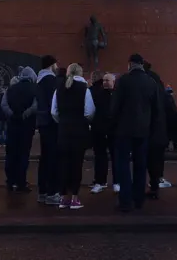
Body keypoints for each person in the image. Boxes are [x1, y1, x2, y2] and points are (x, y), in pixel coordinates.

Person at [111, 54, 160, 212]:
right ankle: (138, 199)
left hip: (124, 130)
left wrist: (113, 125)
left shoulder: (123, 81)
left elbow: (115, 107)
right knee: (140, 165)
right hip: (143, 131)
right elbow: (157, 110)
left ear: (130, 64)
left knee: (123, 164)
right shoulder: (151, 82)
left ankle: (125, 200)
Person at [52, 63, 95, 209]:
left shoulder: (59, 89)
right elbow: (89, 111)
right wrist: (83, 121)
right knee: (77, 164)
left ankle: (63, 197)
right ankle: (75, 198)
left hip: (63, 129)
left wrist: (63, 121)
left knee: (63, 163)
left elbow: (54, 111)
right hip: (79, 130)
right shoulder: (84, 89)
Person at [1, 66, 38, 193]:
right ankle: (21, 182)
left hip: (12, 126)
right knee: (23, 155)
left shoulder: (10, 89)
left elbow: (3, 105)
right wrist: (25, 115)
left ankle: (10, 181)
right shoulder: (34, 89)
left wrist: (12, 115)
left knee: (11, 154)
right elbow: (35, 106)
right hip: (27, 127)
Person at [36, 55, 61, 205]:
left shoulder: (39, 80)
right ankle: (52, 192)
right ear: (52, 64)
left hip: (43, 123)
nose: (57, 67)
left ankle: (43, 191)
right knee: (53, 158)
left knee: (44, 158)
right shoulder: (51, 81)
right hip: (52, 124)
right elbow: (55, 104)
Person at [144, 61, 172, 191]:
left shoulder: (141, 83)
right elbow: (170, 109)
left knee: (143, 157)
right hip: (159, 128)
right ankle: (157, 180)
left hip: (143, 128)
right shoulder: (158, 85)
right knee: (158, 156)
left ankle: (142, 183)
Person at [90, 72, 118, 194]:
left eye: (108, 80)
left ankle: (117, 182)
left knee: (115, 156)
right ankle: (100, 181)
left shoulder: (117, 95)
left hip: (113, 130)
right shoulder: (98, 94)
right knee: (100, 156)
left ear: (113, 82)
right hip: (100, 129)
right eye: (104, 80)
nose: (105, 82)